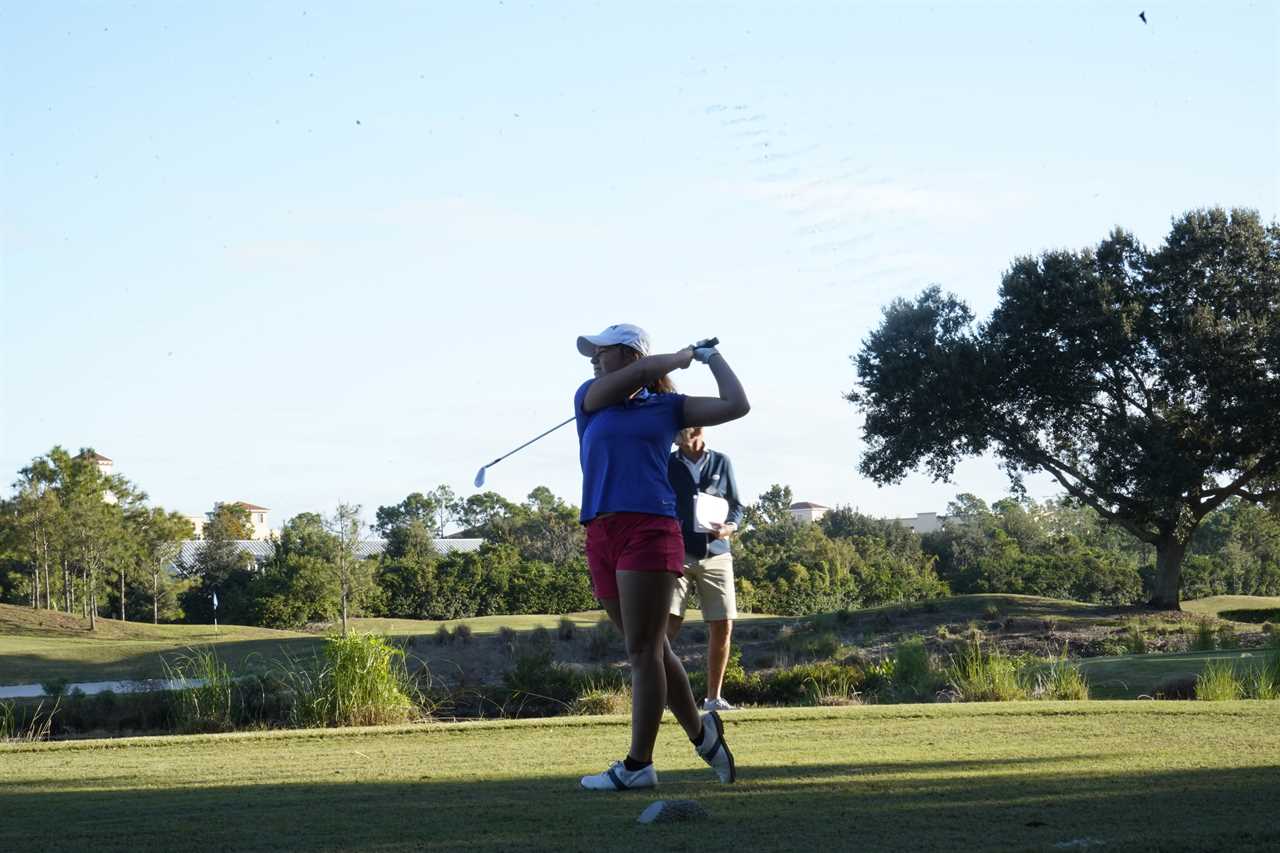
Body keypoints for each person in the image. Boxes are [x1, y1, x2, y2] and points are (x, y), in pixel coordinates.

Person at [573, 323, 750, 792]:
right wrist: (680, 355)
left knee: (643, 650)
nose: (593, 359)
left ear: (628, 355)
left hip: (650, 529)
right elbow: (651, 368)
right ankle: (702, 734)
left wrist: (709, 357)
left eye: (601, 351)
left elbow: (737, 404)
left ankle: (638, 765)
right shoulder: (590, 398)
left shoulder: (668, 408)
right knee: (651, 647)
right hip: (600, 531)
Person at [666, 426, 743, 711]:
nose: (673, 432)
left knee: (723, 624)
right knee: (668, 624)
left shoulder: (721, 461)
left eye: (679, 428)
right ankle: (661, 697)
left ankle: (713, 699)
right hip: (676, 553)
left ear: (696, 429)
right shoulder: (667, 462)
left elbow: (736, 506)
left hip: (717, 554)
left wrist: (729, 528)